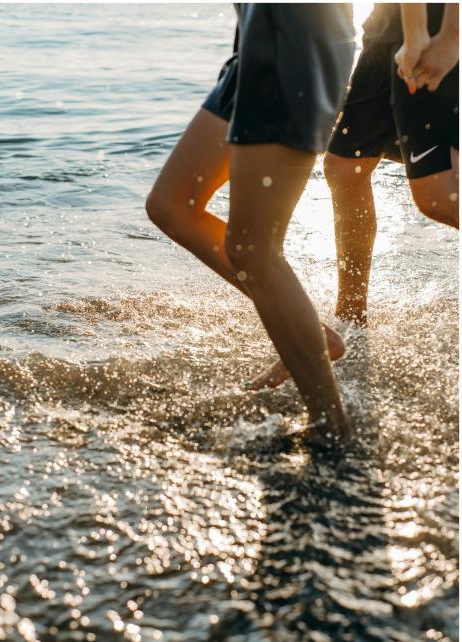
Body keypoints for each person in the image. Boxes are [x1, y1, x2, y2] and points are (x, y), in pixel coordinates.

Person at [146, 4, 355, 443]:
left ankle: (330, 426)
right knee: (171, 205)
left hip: (294, 45)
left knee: (254, 250)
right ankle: (312, 336)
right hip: (254, 50)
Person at [250, 2, 459, 390]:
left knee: (438, 197)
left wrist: (446, 37)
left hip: (430, 25)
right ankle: (351, 318)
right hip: (388, 25)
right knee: (346, 167)